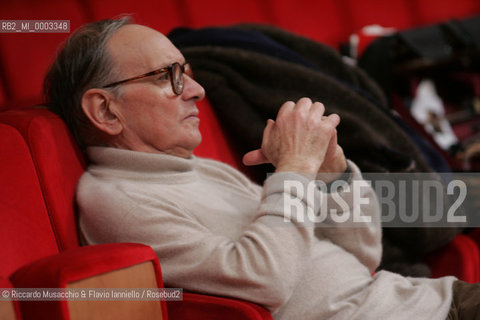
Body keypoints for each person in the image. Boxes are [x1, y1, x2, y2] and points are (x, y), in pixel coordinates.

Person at [44, 18, 479, 320]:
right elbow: (264, 282)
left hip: (426, 299)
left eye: (188, 73)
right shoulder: (117, 201)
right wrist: (293, 169)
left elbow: (362, 257)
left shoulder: (194, 170)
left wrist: (331, 174)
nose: (196, 90)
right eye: (167, 77)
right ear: (105, 110)